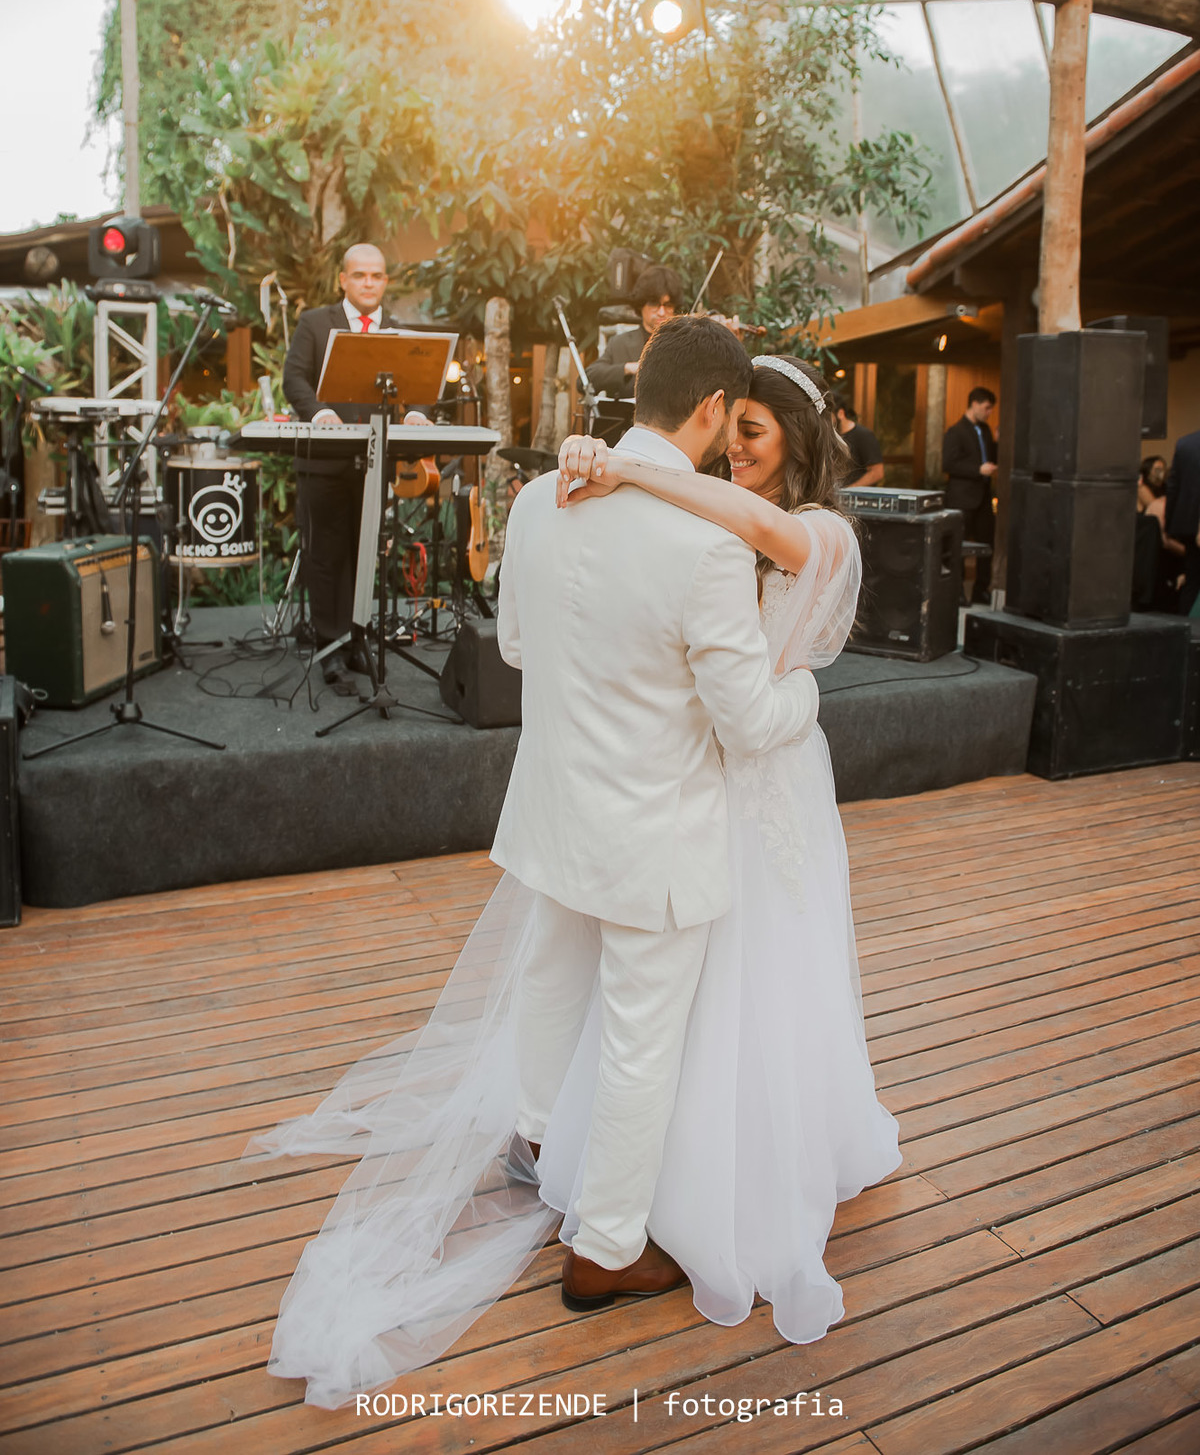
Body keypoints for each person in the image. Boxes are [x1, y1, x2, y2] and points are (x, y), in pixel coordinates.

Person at [247, 325, 898, 1406]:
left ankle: (540, 1136)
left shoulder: (542, 501)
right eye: (728, 423)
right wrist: (807, 699)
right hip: (658, 827)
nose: (734, 444)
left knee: (555, 979)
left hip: (560, 808)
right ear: (706, 412)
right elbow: (746, 719)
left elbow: (513, 648)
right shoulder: (703, 549)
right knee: (642, 1035)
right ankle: (603, 1249)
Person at [282, 244, 415, 693]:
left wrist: (414, 411)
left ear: (385, 281)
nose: (368, 284)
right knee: (327, 556)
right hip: (323, 462)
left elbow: (414, 386)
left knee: (365, 555)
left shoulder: (397, 331)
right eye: (359, 275)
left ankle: (358, 640)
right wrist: (318, 413)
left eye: (376, 276)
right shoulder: (315, 323)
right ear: (343, 279)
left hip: (374, 462)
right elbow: (294, 377)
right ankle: (330, 646)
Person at [584, 262, 683, 396]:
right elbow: (584, 380)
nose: (661, 312)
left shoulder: (684, 344)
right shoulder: (619, 343)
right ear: (641, 304)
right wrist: (628, 368)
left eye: (668, 305)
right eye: (654, 304)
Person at [942, 386, 999, 604]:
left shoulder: (985, 430)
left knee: (987, 543)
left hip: (984, 496)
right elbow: (948, 463)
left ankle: (981, 589)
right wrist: (978, 470)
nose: (988, 413)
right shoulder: (956, 431)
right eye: (986, 408)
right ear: (974, 404)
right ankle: (958, 592)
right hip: (962, 498)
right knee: (959, 546)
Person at [1165, 427, 1200, 616]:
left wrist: (1170, 523)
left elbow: (1173, 486)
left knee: (1192, 579)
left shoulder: (1185, 443)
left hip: (1188, 523)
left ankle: (1189, 634)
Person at [833, 396, 884, 487]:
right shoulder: (831, 436)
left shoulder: (863, 435)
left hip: (857, 497)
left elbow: (877, 472)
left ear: (840, 413)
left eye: (829, 417)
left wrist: (850, 490)